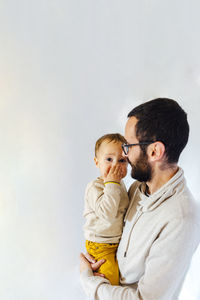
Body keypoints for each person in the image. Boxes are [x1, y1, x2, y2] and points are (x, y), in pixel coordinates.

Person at [80, 98, 200, 300]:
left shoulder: (181, 219)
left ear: (154, 151)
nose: (124, 155)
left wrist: (90, 281)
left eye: (128, 146)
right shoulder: (137, 188)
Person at [83, 133, 129, 285]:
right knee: (111, 283)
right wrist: (112, 184)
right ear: (97, 162)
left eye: (122, 160)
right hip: (100, 246)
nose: (115, 165)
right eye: (109, 159)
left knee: (122, 279)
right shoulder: (95, 187)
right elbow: (107, 214)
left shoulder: (118, 185)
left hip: (116, 242)